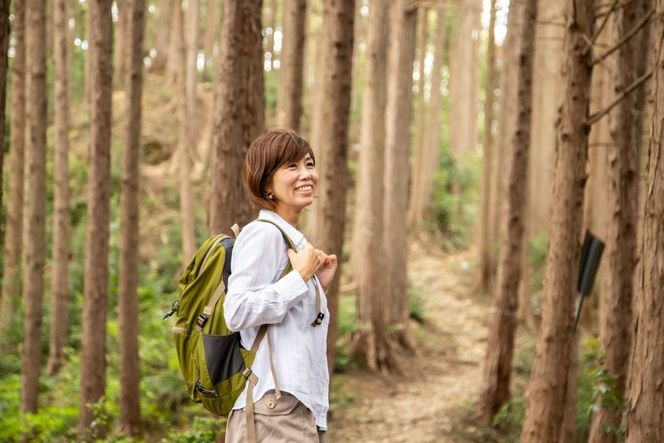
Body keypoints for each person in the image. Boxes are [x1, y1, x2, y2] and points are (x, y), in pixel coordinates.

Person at [223, 129, 337, 443]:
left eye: (309, 164)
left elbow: (287, 331)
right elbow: (236, 311)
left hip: (297, 409)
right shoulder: (264, 234)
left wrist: (316, 287)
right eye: (291, 167)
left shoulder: (290, 241)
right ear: (266, 181)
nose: (306, 175)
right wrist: (299, 279)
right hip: (274, 410)